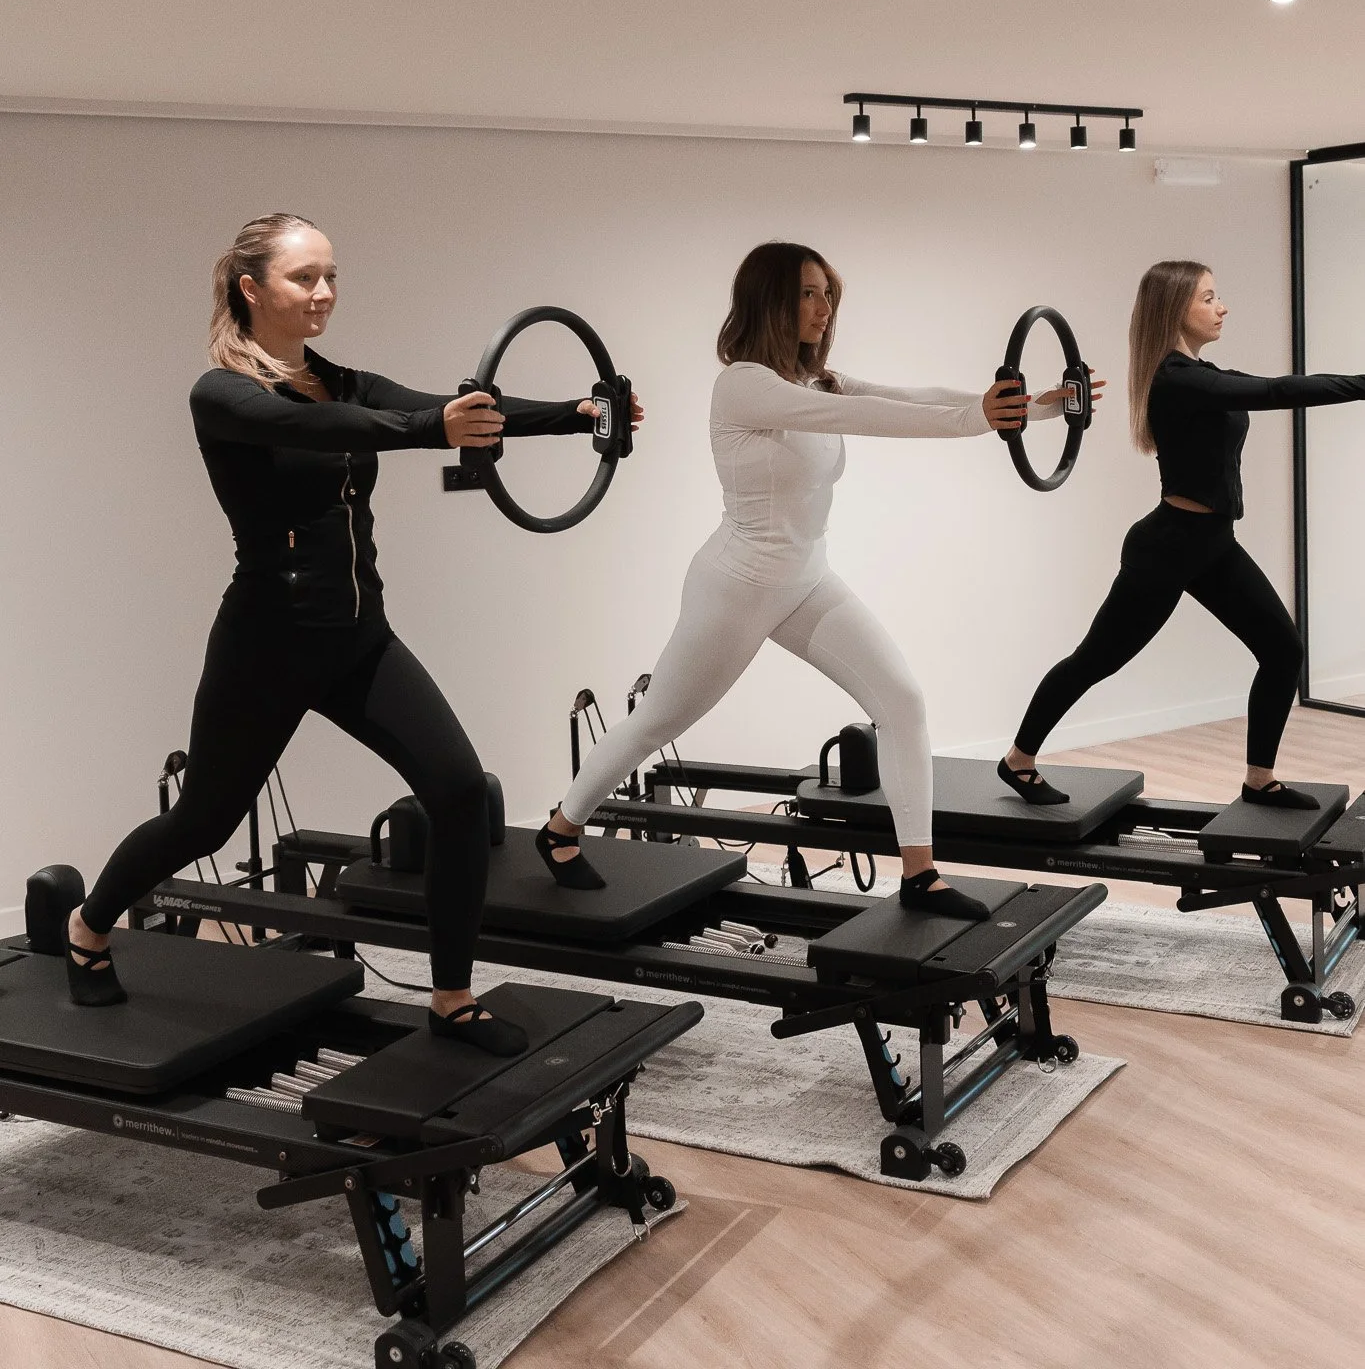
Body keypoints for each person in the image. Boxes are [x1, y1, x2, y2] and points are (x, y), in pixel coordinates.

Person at [66, 212, 638, 1052]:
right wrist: (426, 431)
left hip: (359, 637)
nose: (324, 292)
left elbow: (450, 408)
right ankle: (89, 925)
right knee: (204, 823)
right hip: (268, 641)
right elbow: (317, 429)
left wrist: (580, 410)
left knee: (455, 789)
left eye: (331, 275)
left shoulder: (346, 381)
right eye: (305, 278)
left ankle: (450, 998)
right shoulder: (222, 393)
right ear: (251, 288)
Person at [538, 240, 1039, 922]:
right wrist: (974, 419)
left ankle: (919, 874)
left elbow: (904, 395)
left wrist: (1029, 408)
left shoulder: (815, 381)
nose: (824, 308)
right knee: (659, 721)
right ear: (770, 301)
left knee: (902, 699)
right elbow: (870, 419)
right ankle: (560, 830)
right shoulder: (743, 384)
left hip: (806, 578)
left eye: (828, 293)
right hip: (737, 585)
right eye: (808, 293)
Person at [1001, 259, 1365, 808]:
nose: (1222, 307)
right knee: (1096, 660)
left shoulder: (1200, 373)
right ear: (1176, 309)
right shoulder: (1177, 377)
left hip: (1212, 545)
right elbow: (1276, 390)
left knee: (1283, 650)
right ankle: (1018, 760)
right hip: (1169, 548)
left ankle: (1258, 779)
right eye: (1209, 298)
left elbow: (1269, 387)